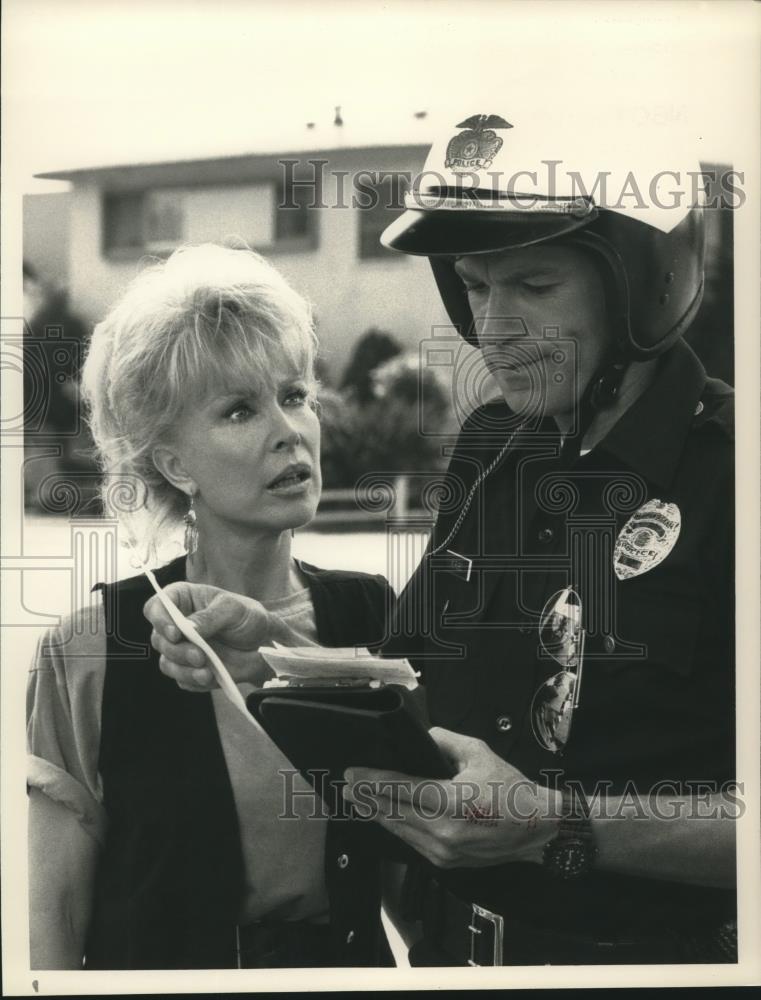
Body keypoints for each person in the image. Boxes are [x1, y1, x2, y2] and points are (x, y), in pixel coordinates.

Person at [146, 109, 737, 966]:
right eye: (474, 284)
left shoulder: (732, 474)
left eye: (534, 288)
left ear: (643, 281)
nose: (491, 328)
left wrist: (559, 829)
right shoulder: (495, 443)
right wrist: (277, 650)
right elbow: (427, 693)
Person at [26, 243, 396, 970]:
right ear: (173, 464)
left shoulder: (371, 616)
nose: (289, 430)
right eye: (239, 410)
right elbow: (55, 907)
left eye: (294, 396)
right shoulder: (93, 646)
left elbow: (424, 859)